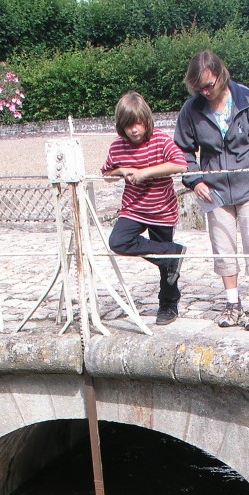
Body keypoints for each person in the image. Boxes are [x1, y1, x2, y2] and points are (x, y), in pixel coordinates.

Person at [174, 50, 249, 331]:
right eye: (199, 87)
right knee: (223, 247)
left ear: (221, 75)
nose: (205, 91)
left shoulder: (247, 100)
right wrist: (196, 180)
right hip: (214, 189)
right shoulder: (191, 110)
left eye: (209, 85)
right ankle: (232, 303)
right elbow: (182, 150)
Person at [101, 91, 187, 325]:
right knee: (118, 241)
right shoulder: (118, 146)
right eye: (128, 125)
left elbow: (180, 164)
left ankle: (168, 306)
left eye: (138, 123)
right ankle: (171, 253)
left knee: (167, 270)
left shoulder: (159, 139)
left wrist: (145, 172)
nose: (134, 129)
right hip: (133, 208)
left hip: (161, 209)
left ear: (146, 120)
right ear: (122, 126)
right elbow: (106, 174)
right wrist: (121, 171)